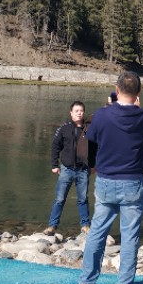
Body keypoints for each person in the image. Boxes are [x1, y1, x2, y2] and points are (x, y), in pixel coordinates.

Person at [77, 71, 143, 284]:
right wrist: (139, 109)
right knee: (130, 236)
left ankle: (87, 282)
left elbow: (91, 137)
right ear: (138, 93)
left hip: (106, 181)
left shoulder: (102, 116)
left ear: (116, 91)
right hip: (132, 183)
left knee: (97, 231)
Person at [45, 101, 97, 236]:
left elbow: (94, 148)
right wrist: (54, 165)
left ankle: (85, 225)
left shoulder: (89, 128)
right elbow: (55, 147)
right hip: (66, 169)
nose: (79, 113)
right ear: (71, 113)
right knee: (60, 199)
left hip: (83, 170)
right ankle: (52, 226)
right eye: (76, 111)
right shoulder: (64, 128)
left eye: (81, 111)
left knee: (83, 199)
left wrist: (93, 165)